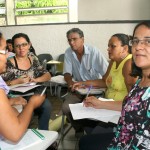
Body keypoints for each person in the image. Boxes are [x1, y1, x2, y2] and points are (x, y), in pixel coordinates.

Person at [79, 21, 150, 150]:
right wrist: (100, 103)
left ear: (124, 49)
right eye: (135, 41)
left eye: (148, 41)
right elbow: (131, 104)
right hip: (123, 137)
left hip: (133, 144)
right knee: (84, 141)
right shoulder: (141, 81)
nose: (139, 47)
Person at [72, 33, 137, 135]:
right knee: (85, 123)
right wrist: (83, 83)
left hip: (120, 113)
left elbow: (132, 102)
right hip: (107, 108)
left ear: (124, 49)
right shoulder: (113, 61)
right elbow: (104, 82)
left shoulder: (128, 63)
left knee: (89, 140)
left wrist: (101, 104)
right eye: (108, 46)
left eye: (113, 46)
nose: (108, 49)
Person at [62, 28, 108, 137]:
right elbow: (67, 73)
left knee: (89, 108)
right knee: (66, 107)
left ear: (82, 39)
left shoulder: (94, 52)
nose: (71, 42)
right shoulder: (68, 52)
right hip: (78, 88)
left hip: (95, 89)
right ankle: (78, 128)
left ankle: (92, 132)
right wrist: (70, 83)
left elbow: (106, 74)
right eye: (69, 40)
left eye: (74, 39)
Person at [0, 33, 45, 142]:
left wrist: (36, 80)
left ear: (29, 45)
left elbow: (45, 73)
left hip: (21, 96)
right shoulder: (10, 64)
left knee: (45, 106)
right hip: (19, 95)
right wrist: (32, 104)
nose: (7, 55)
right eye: (4, 50)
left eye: (24, 44)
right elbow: (14, 134)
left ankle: (43, 132)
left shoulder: (33, 58)